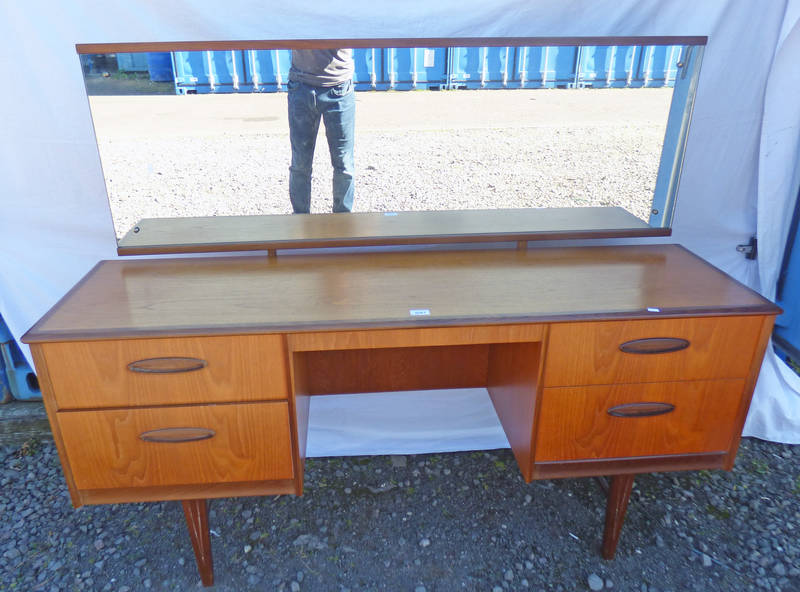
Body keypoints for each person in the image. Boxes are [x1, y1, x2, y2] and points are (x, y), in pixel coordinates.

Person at [287, 49, 355, 213]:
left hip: (338, 86)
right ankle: (300, 222)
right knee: (300, 164)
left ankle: (343, 224)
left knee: (344, 165)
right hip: (301, 84)